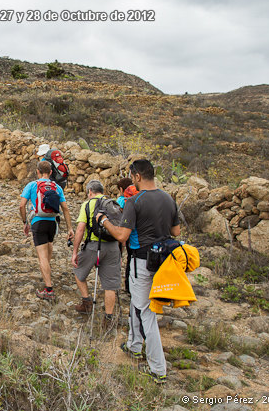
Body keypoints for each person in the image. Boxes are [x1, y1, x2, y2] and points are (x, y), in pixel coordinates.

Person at [96, 159, 180, 384]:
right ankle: (134, 346)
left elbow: (122, 235)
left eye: (132, 176)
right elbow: (176, 230)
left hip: (141, 262)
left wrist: (104, 221)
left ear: (137, 177)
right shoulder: (168, 198)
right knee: (137, 302)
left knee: (147, 313)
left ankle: (158, 369)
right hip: (163, 262)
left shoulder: (135, 201)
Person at [19, 161, 74, 300]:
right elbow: (65, 209)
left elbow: (22, 205)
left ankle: (48, 290)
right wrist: (70, 228)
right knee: (48, 250)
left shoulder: (32, 185)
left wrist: (25, 222)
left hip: (38, 222)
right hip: (52, 224)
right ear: (50, 172)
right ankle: (46, 278)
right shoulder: (56, 187)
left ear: (37, 171)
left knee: (42, 257)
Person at [70, 180, 121, 329]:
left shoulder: (87, 205)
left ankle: (86, 302)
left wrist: (75, 251)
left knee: (78, 270)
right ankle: (109, 318)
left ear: (90, 191)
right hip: (113, 246)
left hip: (94, 245)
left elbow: (80, 229)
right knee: (110, 285)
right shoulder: (113, 204)